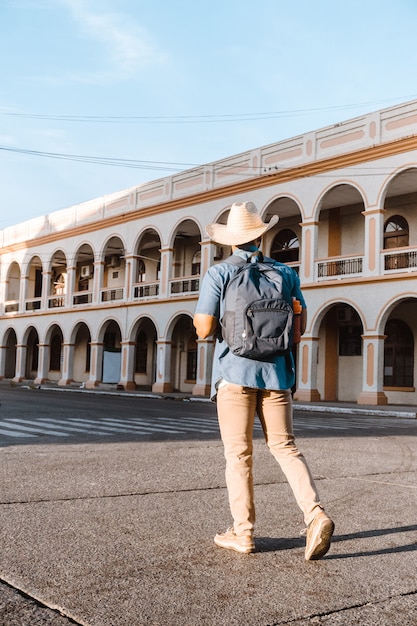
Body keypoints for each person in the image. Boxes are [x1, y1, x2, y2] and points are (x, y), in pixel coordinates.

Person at [193, 200, 334, 561]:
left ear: (230, 240)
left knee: (239, 454)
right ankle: (315, 515)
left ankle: (243, 534)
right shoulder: (286, 274)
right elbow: (298, 330)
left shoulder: (219, 273)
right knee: (285, 447)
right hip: (277, 374)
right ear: (260, 237)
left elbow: (205, 327)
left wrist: (208, 325)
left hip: (234, 373)